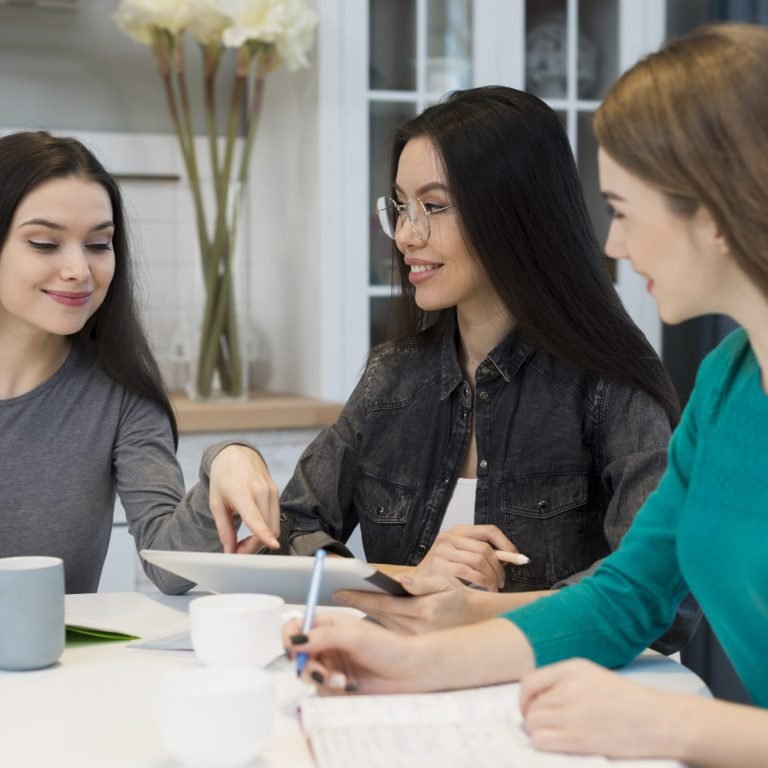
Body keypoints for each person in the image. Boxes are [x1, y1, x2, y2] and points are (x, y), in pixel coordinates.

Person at [283, 23, 768, 766]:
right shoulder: (727, 380)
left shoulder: (620, 385)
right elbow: (629, 594)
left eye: (623, 209)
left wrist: (669, 726)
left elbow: (657, 618)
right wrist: (408, 662)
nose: (611, 244)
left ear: (712, 209)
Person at [246, 84, 697, 652]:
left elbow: (667, 606)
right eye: (401, 207)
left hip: (550, 693)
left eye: (434, 207)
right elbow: (285, 531)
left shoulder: (609, 385)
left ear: (515, 212)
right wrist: (407, 582)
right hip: (400, 684)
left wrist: (479, 612)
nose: (407, 236)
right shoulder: (391, 378)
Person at [0, 131, 280, 594]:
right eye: (45, 243)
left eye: (98, 244)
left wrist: (227, 459)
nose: (79, 270)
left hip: (53, 644)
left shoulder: (121, 394)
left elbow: (170, 566)